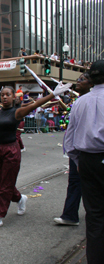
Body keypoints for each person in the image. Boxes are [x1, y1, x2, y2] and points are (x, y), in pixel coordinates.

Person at [0, 82, 71, 230]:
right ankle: (20, 198)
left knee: (6, 185)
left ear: (13, 97)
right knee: (3, 183)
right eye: (2, 95)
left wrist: (54, 94)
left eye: (8, 95)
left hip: (11, 151)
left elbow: (35, 104)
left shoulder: (17, 112)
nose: (4, 97)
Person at [64, 62, 104, 264]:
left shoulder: (80, 103)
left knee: (95, 215)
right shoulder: (80, 102)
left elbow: (69, 139)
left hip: (88, 161)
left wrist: (77, 161)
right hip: (91, 159)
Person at [54, 73, 93, 226]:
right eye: (78, 79)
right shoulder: (77, 101)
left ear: (91, 83)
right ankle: (70, 215)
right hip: (77, 150)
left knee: (93, 185)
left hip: (92, 150)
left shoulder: (94, 100)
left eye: (82, 79)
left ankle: (95, 214)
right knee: (75, 182)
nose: (78, 81)